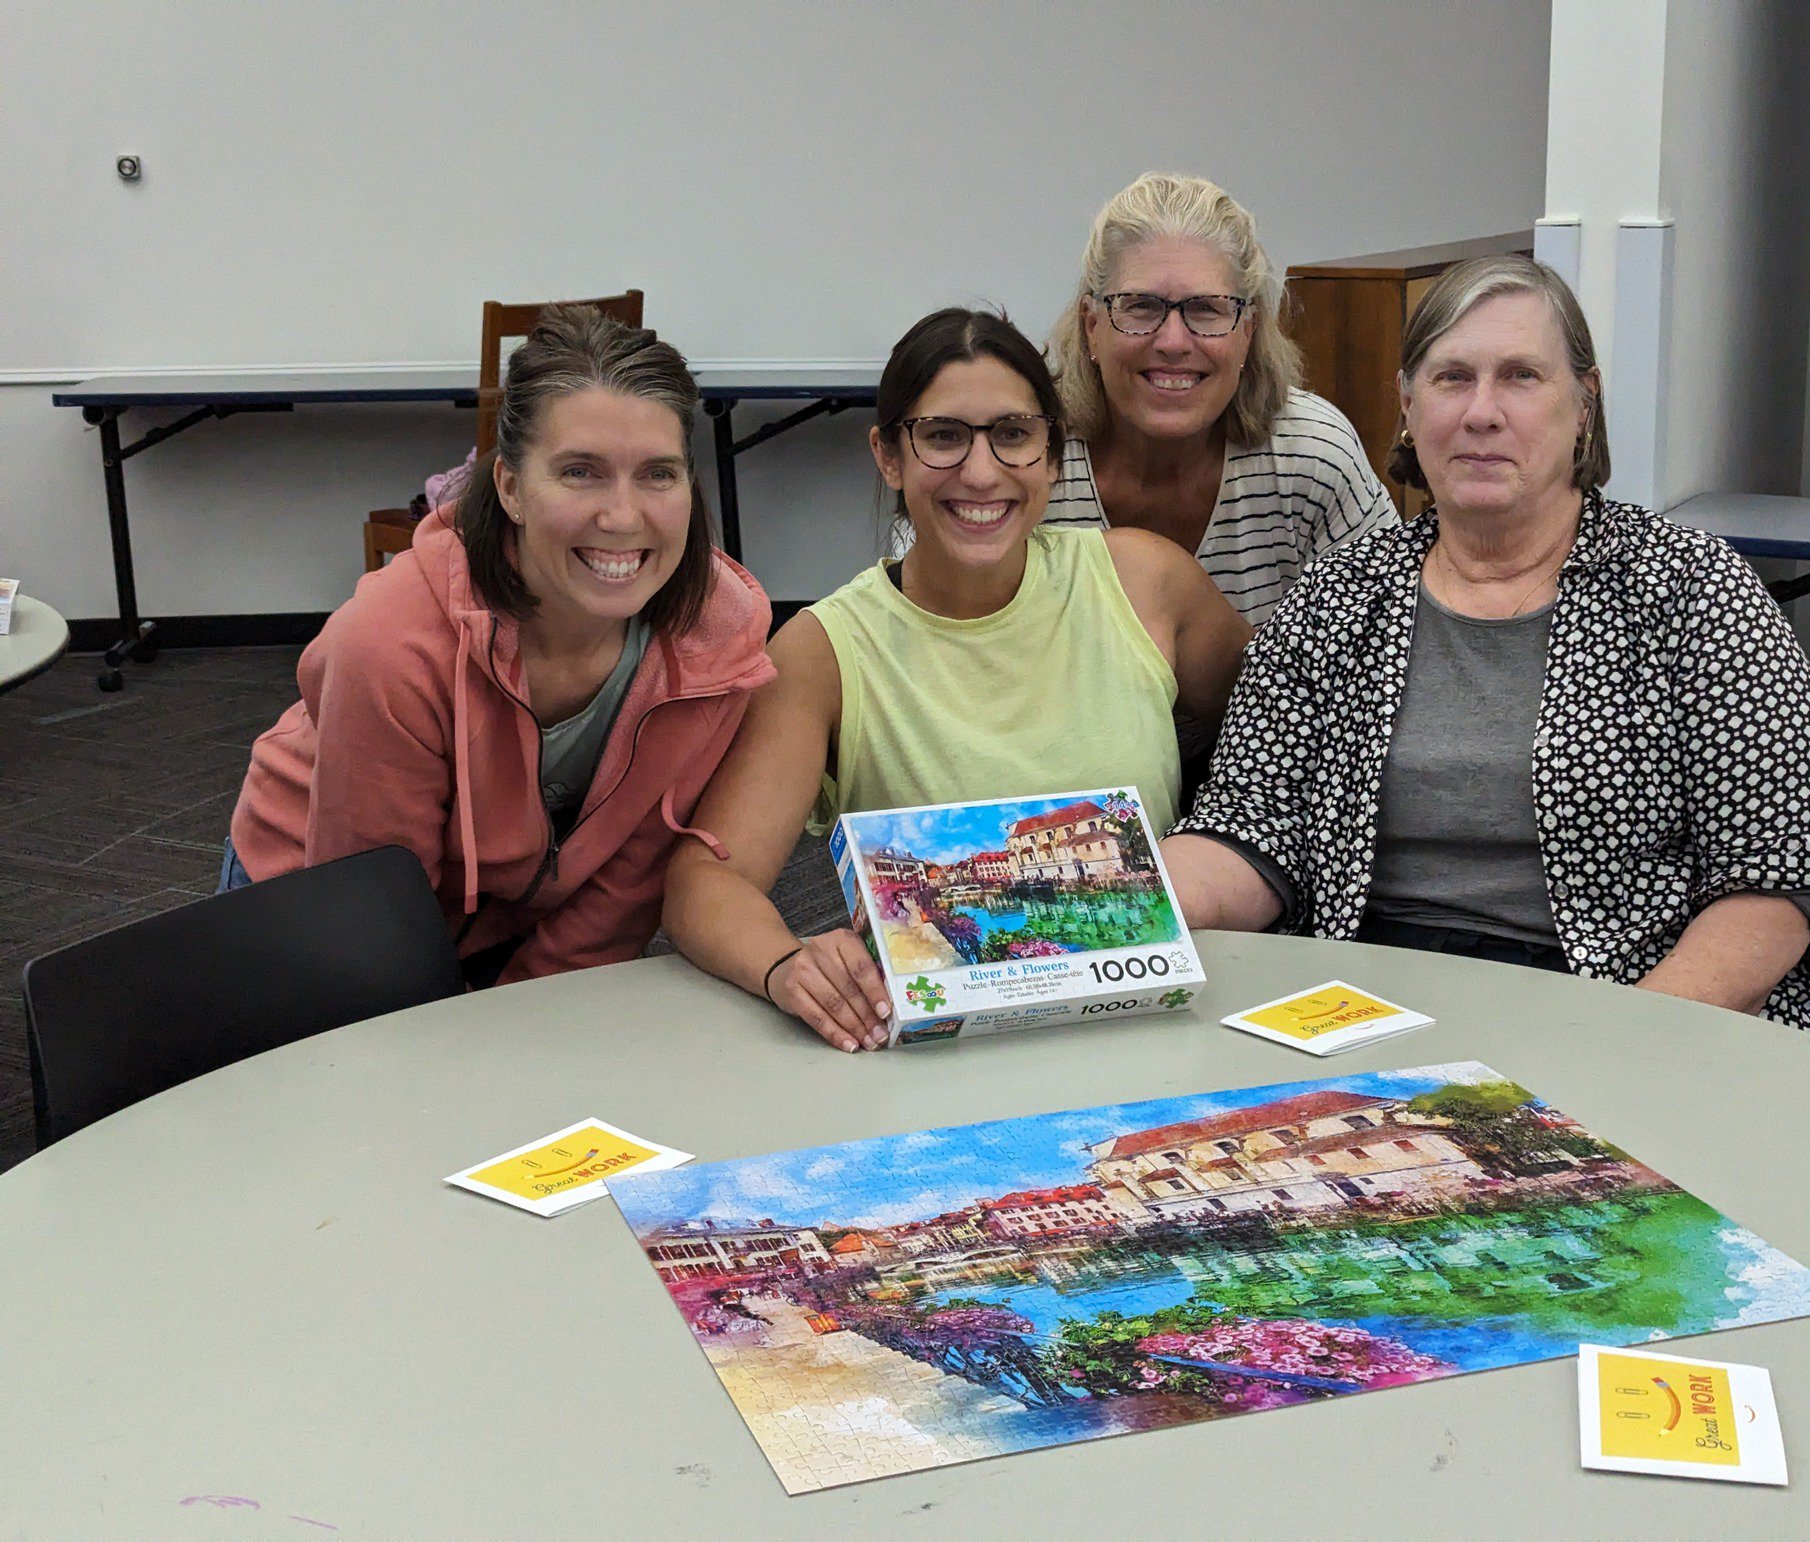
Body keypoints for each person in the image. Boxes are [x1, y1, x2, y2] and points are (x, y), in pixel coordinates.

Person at [1163, 255, 1810, 1042]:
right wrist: (1117, 906)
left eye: (1522, 376)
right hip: (1370, 999)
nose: (1482, 412)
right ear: (1406, 404)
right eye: (1452, 378)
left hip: (1626, 997)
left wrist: (1630, 1042)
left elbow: (1775, 878)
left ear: (1583, 404)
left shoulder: (1691, 590)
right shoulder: (1338, 597)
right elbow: (1250, 829)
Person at [664, 308, 1250, 1053]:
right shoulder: (827, 650)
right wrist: (786, 965)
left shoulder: (1144, 582)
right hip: (946, 1050)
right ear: (888, 455)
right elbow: (704, 883)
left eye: (1012, 434)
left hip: (1154, 1020)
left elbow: (1282, 734)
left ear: (1052, 454)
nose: (981, 471)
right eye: (943, 436)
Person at [225, 306, 774, 987]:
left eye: (659, 474)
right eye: (581, 471)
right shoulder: (393, 643)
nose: (624, 516)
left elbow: (625, 888)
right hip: (320, 890)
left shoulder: (717, 635)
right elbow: (372, 928)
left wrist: (530, 1016)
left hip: (510, 906)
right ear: (511, 486)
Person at [1043, 171, 1399, 626]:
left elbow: (1383, 642)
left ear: (1248, 332)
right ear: (1092, 326)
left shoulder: (1311, 456)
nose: (1173, 342)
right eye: (1141, 306)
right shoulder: (1026, 454)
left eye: (1206, 309)